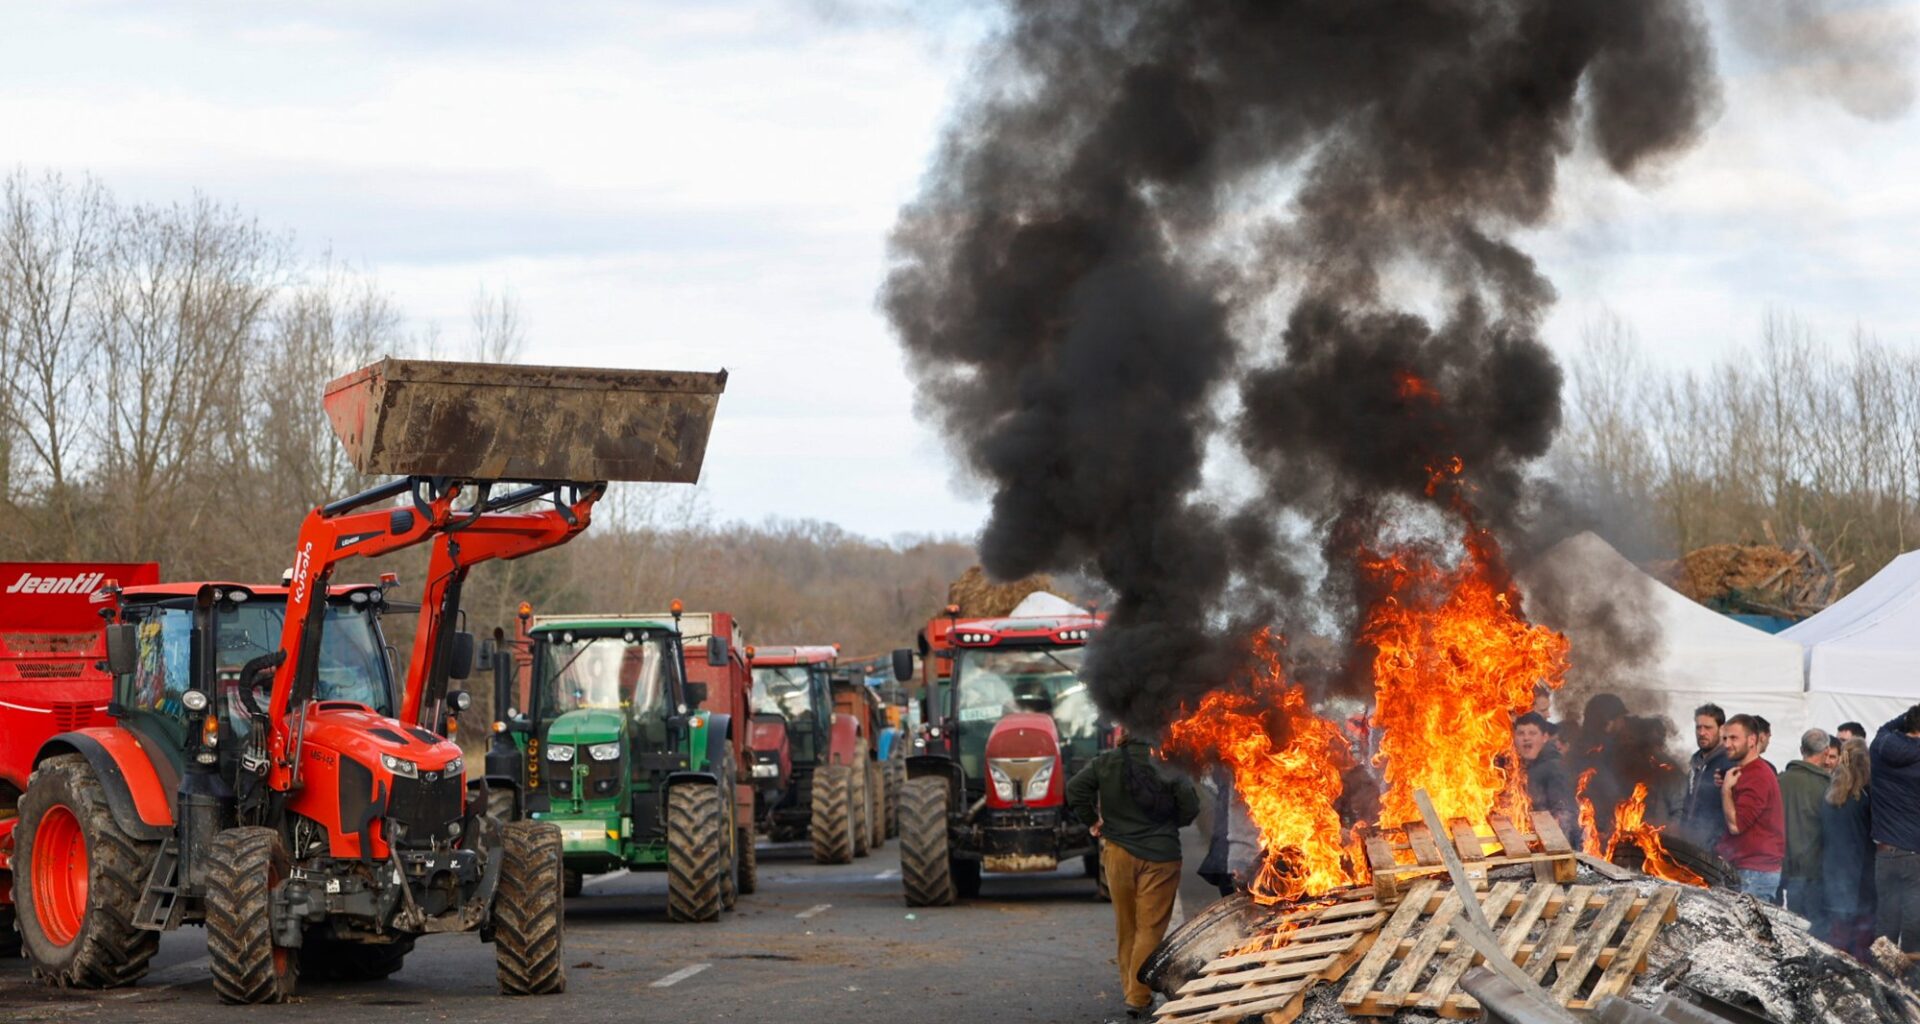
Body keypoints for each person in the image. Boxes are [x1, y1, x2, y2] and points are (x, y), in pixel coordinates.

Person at [1066, 730, 1199, 1017]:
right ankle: (1138, 997)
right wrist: (1168, 826)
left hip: (1118, 854)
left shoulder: (1107, 761)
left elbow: (1075, 788)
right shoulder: (1168, 762)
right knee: (1149, 928)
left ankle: (1130, 990)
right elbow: (1190, 806)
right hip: (1161, 856)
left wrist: (1093, 820)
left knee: (1126, 925)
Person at [1718, 714, 1786, 902]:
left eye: (1734, 738)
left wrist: (1725, 790)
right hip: (1748, 869)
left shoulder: (1758, 776)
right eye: (1725, 738)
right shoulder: (1744, 772)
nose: (1727, 744)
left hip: (1755, 873)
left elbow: (1736, 826)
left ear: (1752, 740)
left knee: (1749, 931)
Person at [1870, 706, 1920, 952]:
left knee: (1886, 922)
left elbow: (1884, 728)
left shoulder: (1879, 747)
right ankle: (1912, 984)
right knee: (1915, 922)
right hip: (1914, 854)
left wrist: (1905, 719)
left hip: (1883, 852)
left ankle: (1880, 982)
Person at [1823, 738, 1875, 959]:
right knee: (1860, 937)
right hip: (1860, 873)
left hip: (1832, 870)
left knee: (1836, 935)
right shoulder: (1866, 798)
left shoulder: (1829, 795)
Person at [1780, 728, 1833, 930]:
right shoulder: (1826, 787)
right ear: (1827, 752)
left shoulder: (1780, 780)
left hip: (1785, 867)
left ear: (1801, 749)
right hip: (1814, 872)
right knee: (1815, 932)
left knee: (1793, 929)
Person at [1513, 712, 1577, 843]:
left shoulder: (1554, 768)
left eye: (1532, 733)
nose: (1526, 738)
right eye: (1521, 733)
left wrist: (1559, 852)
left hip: (1550, 847)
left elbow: (1564, 814)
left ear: (1545, 737)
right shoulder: (1514, 767)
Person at [1681, 703, 1733, 848]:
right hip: (1690, 844)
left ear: (1722, 729)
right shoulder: (1694, 762)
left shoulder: (1729, 763)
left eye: (1708, 728)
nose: (1702, 732)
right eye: (1698, 727)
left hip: (1716, 849)